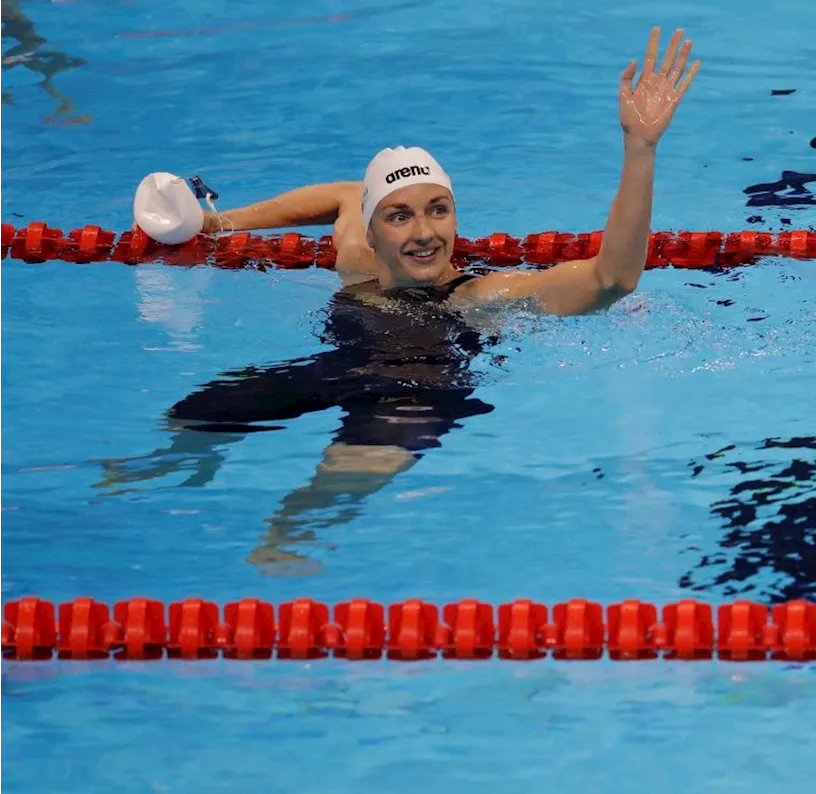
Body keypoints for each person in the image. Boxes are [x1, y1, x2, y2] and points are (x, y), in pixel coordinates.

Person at [98, 27, 700, 573]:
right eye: (401, 215)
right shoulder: (357, 260)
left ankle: (289, 548)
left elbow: (612, 279)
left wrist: (639, 150)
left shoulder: (479, 296)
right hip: (333, 371)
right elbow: (339, 194)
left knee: (308, 507)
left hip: (417, 397)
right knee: (191, 415)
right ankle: (202, 462)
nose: (423, 233)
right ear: (375, 228)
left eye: (439, 210)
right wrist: (221, 224)